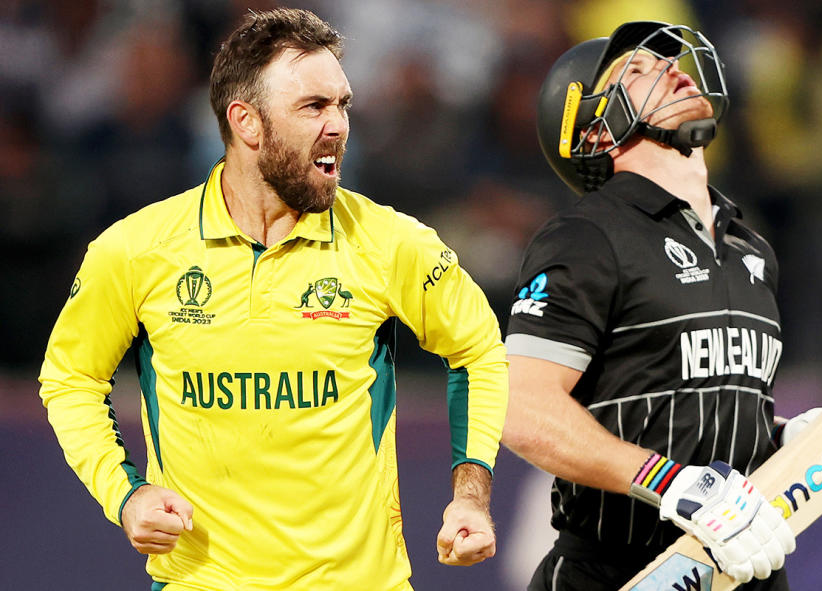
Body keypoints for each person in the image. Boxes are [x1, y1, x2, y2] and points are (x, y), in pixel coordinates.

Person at [38, 8, 508, 590]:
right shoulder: (136, 250)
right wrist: (125, 494)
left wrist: (471, 495)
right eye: (313, 106)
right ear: (248, 123)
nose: (337, 124)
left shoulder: (394, 244)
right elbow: (70, 378)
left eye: (343, 104)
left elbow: (480, 353)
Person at [501, 21, 822, 590]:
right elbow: (521, 407)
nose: (671, 68)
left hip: (745, 569)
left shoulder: (749, 246)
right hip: (619, 571)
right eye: (637, 71)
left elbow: (688, 404)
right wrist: (667, 482)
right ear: (591, 132)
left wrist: (783, 441)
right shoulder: (586, 237)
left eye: (665, 62)